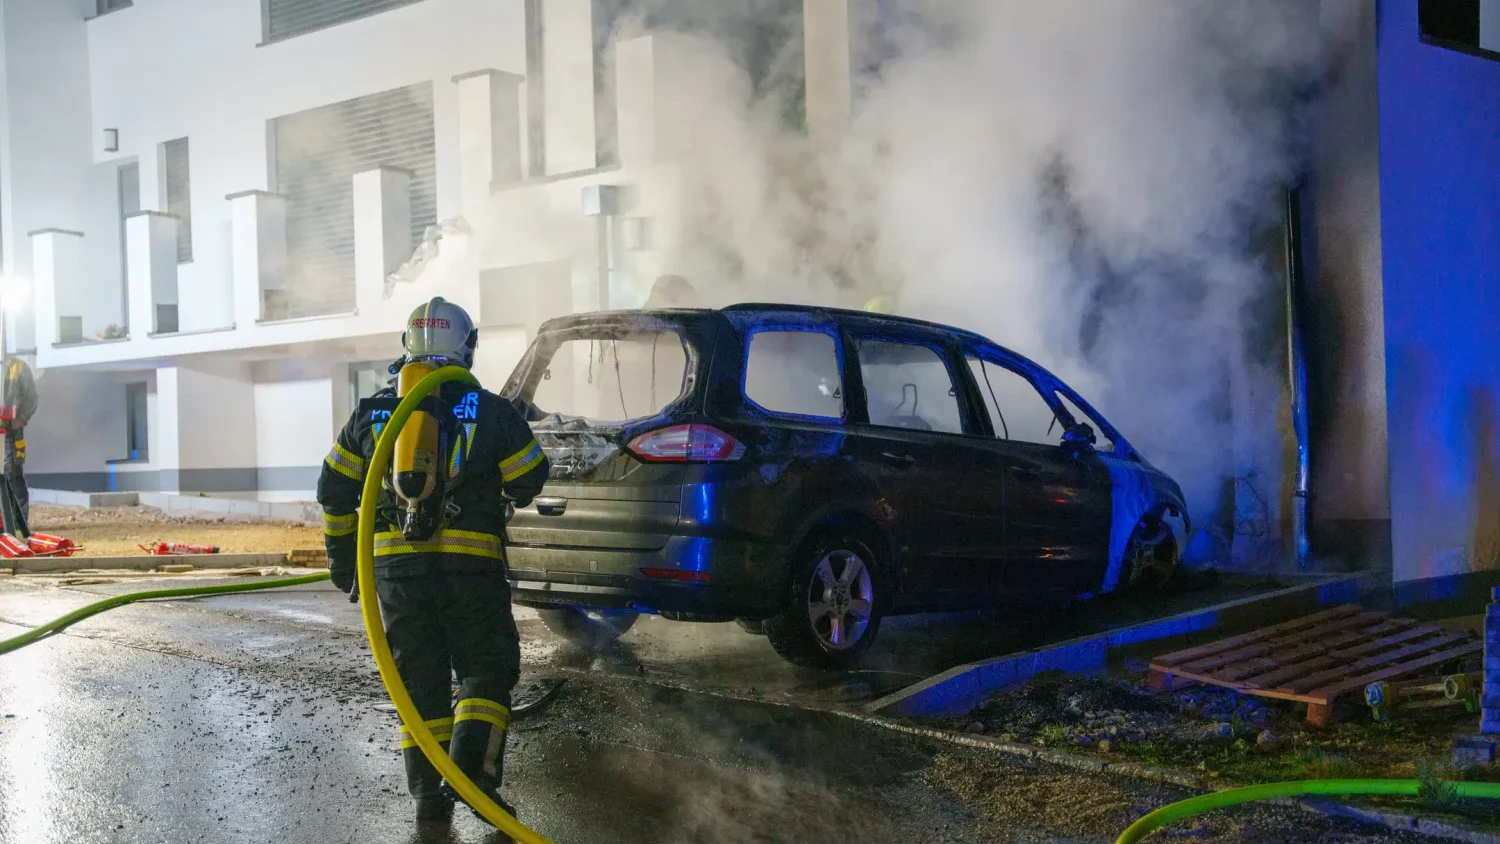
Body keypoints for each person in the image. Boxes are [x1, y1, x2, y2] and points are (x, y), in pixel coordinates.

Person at [317, 297, 549, 828]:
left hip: (396, 576)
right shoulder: (489, 409)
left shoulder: (372, 412)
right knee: (486, 668)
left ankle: (429, 796)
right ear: (465, 347)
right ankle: (471, 777)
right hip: (470, 570)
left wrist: (344, 563)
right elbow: (530, 476)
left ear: (408, 345)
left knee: (418, 683)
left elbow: (334, 491)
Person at [1, 355, 38, 530]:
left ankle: (18, 524)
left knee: (12, 475)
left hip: (11, 433)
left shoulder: (18, 367)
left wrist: (20, 419)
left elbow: (32, 397)